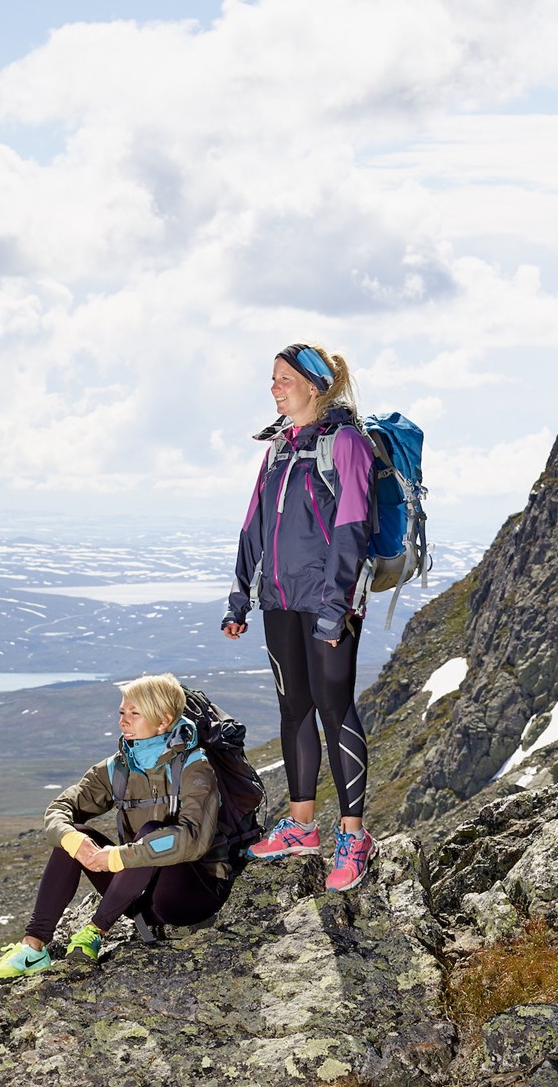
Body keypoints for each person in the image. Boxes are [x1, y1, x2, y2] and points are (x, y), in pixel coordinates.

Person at [223, 342, 379, 891]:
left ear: (313, 386)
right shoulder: (277, 452)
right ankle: (302, 824)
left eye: (283, 378)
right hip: (280, 602)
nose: (273, 388)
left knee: (335, 710)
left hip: (328, 603)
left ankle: (354, 836)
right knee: (294, 710)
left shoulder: (348, 445)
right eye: (271, 379)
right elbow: (252, 528)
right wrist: (240, 598)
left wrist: (336, 609)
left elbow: (352, 529)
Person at [0, 674, 231, 978]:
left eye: (134, 713)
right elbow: (58, 810)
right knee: (78, 834)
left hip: (190, 897)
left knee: (153, 830)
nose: (122, 722)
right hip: (135, 895)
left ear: (163, 721)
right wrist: (74, 841)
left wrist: (119, 857)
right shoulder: (117, 767)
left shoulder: (196, 767)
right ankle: (33, 948)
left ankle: (94, 932)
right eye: (121, 712)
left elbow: (193, 839)